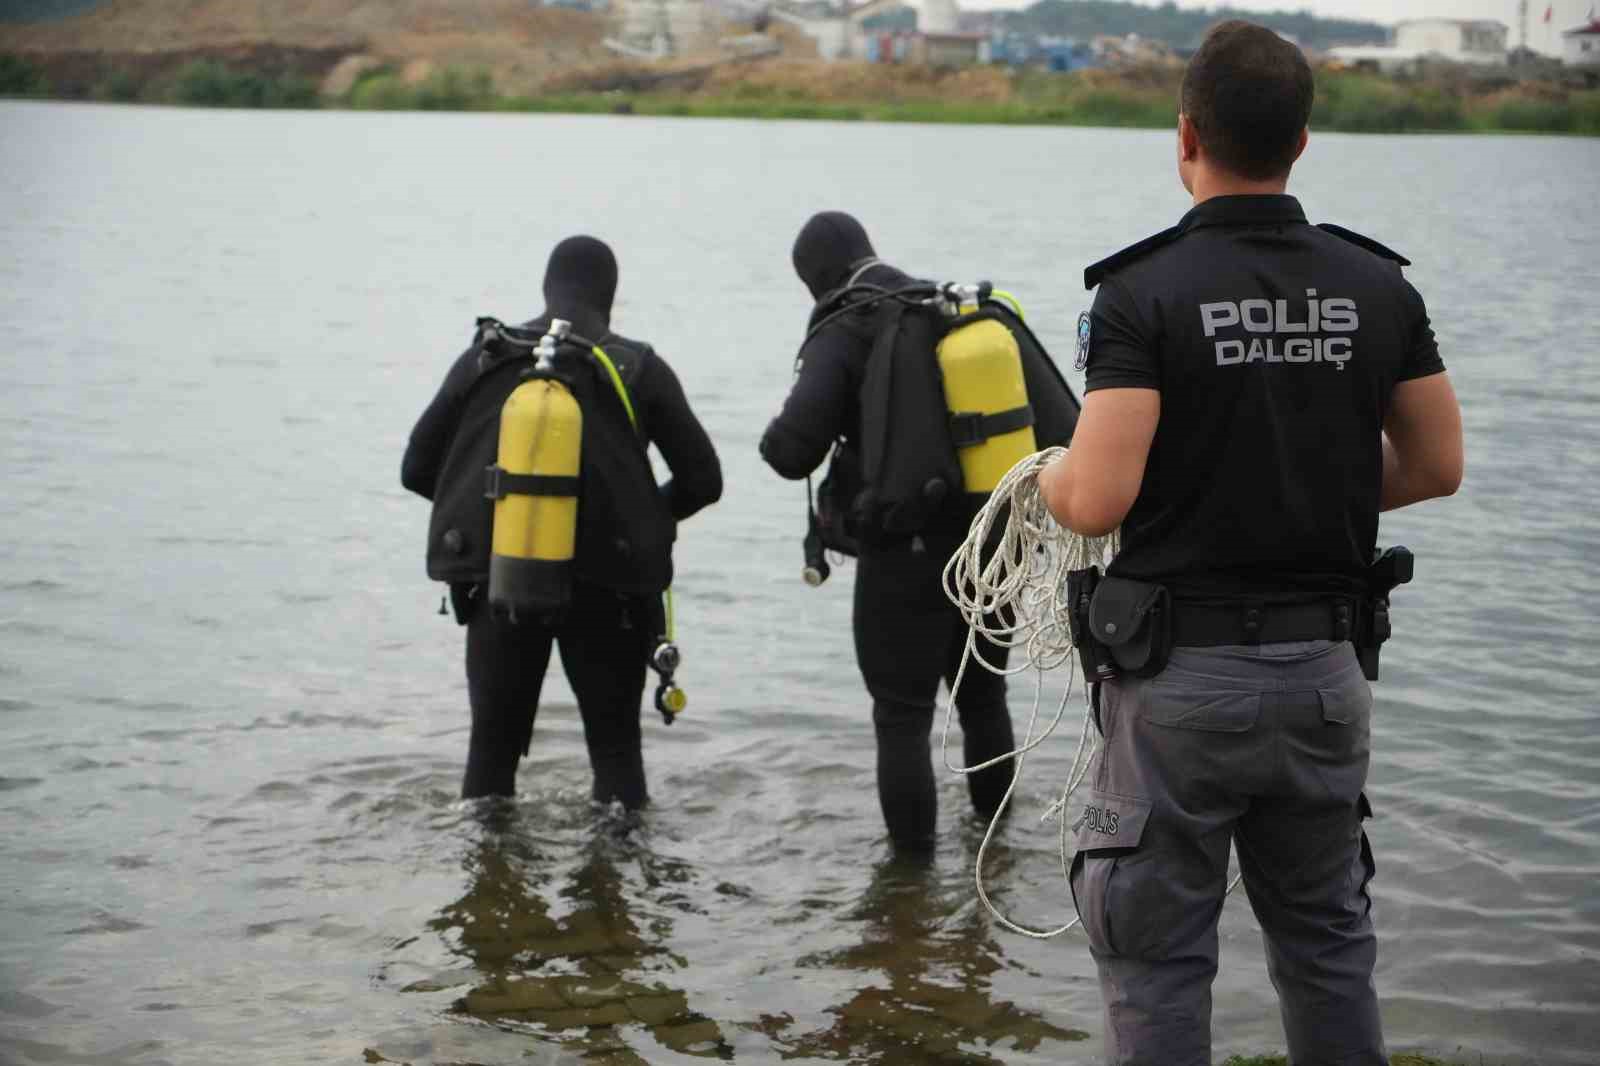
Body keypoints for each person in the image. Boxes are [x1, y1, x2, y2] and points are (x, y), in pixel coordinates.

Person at [1038, 21, 1463, 1066]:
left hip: (1178, 687)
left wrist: (1045, 473)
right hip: (1326, 677)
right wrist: (1306, 483)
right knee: (1327, 946)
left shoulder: (1138, 293)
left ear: (1185, 135)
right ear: (1302, 141)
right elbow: (1436, 465)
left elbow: (1094, 500)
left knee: (1154, 961)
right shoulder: (1380, 287)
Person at [761, 212, 1080, 853]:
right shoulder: (956, 310)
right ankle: (995, 855)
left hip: (903, 553)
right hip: (993, 541)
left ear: (816, 280)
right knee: (983, 697)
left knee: (902, 718)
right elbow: (1065, 429)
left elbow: (791, 451)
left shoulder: (845, 324)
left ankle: (908, 885)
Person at [402, 236, 722, 807]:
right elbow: (704, 481)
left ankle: (487, 863)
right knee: (617, 757)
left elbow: (417, 470)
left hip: (506, 577)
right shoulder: (638, 369)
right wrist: (641, 519)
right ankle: (619, 864)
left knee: (490, 761)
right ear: (610, 297)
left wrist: (502, 518)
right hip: (611, 592)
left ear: (546, 288)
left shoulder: (487, 355)